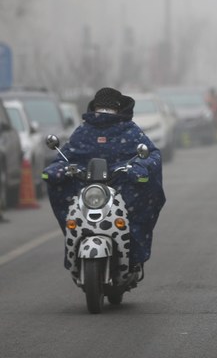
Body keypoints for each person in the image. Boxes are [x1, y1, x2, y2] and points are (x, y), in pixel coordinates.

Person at [43, 87, 166, 273]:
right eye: (101, 108)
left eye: (109, 109)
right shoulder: (83, 131)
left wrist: (140, 167)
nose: (104, 113)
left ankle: (133, 256)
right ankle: (74, 247)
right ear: (94, 108)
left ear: (118, 109)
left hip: (123, 191)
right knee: (61, 194)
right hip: (86, 192)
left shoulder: (130, 131)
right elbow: (65, 157)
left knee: (146, 193)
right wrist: (56, 169)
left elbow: (151, 154)